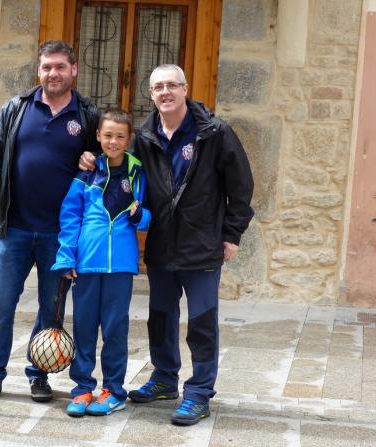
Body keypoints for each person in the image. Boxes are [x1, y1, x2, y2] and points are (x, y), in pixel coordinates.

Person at [79, 64, 254, 425]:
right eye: (158, 87)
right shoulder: (144, 136)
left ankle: (199, 392)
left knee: (202, 322)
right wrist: (90, 158)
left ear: (185, 89)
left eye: (172, 85)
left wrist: (232, 234)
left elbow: (241, 185)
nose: (165, 92)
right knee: (160, 317)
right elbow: (119, 164)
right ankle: (163, 379)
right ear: (151, 94)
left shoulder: (214, 132)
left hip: (202, 244)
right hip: (161, 244)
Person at [0, 40, 100, 405]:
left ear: (73, 70)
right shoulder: (16, 108)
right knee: (0, 306)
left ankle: (39, 375)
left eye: (60, 66)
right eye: (46, 67)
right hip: (15, 229)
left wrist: (94, 159)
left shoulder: (87, 115)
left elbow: (107, 160)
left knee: (51, 311)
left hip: (62, 235)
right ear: (38, 71)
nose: (53, 73)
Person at [52, 109, 151, 417]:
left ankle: (113, 391)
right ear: (98, 136)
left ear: (129, 139)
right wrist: (66, 256)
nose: (113, 141)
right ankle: (82, 388)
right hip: (86, 262)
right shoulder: (87, 171)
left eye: (120, 136)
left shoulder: (137, 171)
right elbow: (70, 215)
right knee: (83, 327)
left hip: (121, 264)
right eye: (108, 135)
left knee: (115, 329)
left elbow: (149, 215)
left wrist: (140, 215)